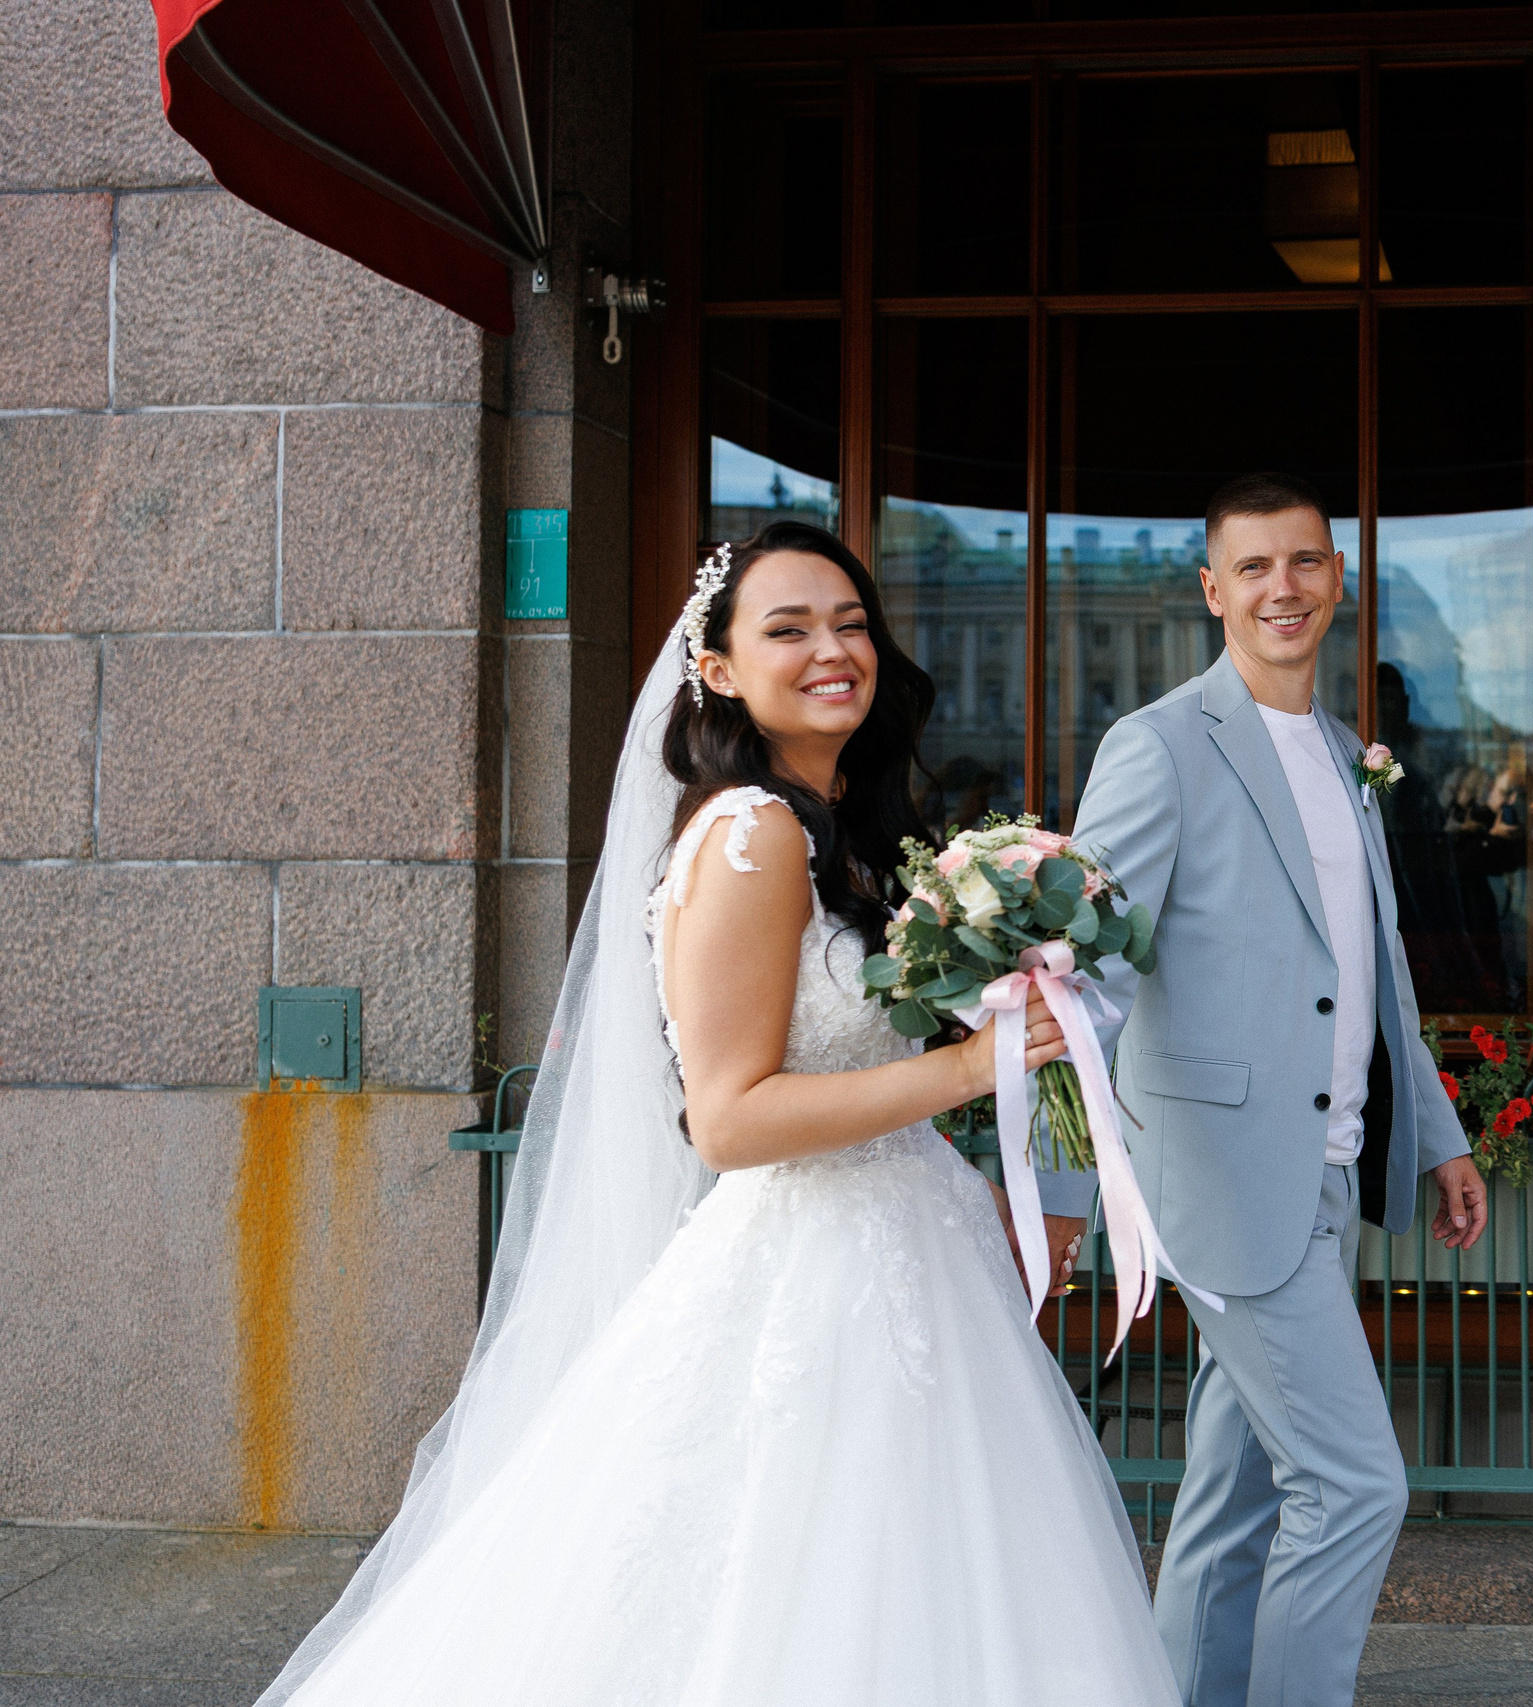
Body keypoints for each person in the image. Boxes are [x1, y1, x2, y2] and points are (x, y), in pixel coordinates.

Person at [255, 522, 1180, 1705]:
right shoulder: (750, 835)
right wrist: (967, 1072)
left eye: (850, 624)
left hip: (913, 1248)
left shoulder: (848, 837)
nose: (831, 649)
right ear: (722, 669)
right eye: (787, 629)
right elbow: (729, 1119)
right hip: (808, 1273)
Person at [1051, 473, 1491, 1707]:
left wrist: (1438, 1137)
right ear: (1211, 591)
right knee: (1354, 1487)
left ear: (1337, 581)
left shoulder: (1349, 752)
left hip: (1326, 1169)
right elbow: (1088, 974)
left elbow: (1375, 968)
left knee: (1233, 1497)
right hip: (1223, 1179)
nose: (1281, 588)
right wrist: (1059, 1183)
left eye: (1303, 563)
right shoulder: (1157, 745)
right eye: (1253, 568)